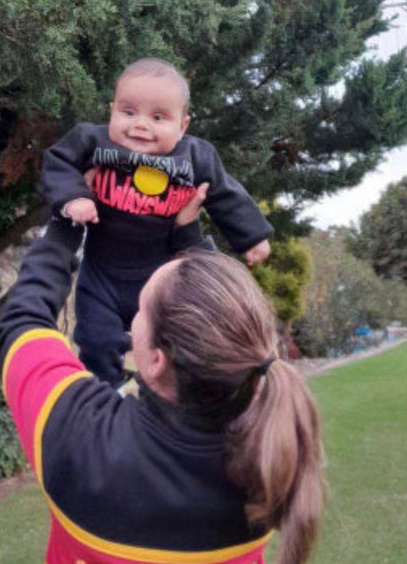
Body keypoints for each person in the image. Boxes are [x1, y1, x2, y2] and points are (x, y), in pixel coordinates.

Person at [0, 207, 325, 564]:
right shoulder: (266, 460)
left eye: (140, 309)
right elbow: (225, 323)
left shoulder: (80, 436)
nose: (133, 318)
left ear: (156, 360)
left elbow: (23, 321)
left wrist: (68, 219)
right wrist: (187, 234)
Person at [39, 58, 274, 387]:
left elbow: (224, 192)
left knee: (170, 349)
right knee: (97, 343)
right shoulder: (92, 142)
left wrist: (251, 236)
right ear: (112, 111)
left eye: (158, 117)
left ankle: (164, 405)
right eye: (128, 112)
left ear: (183, 126)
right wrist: (74, 198)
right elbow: (57, 160)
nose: (140, 125)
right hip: (101, 275)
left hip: (158, 277)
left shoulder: (195, 157)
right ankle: (104, 399)